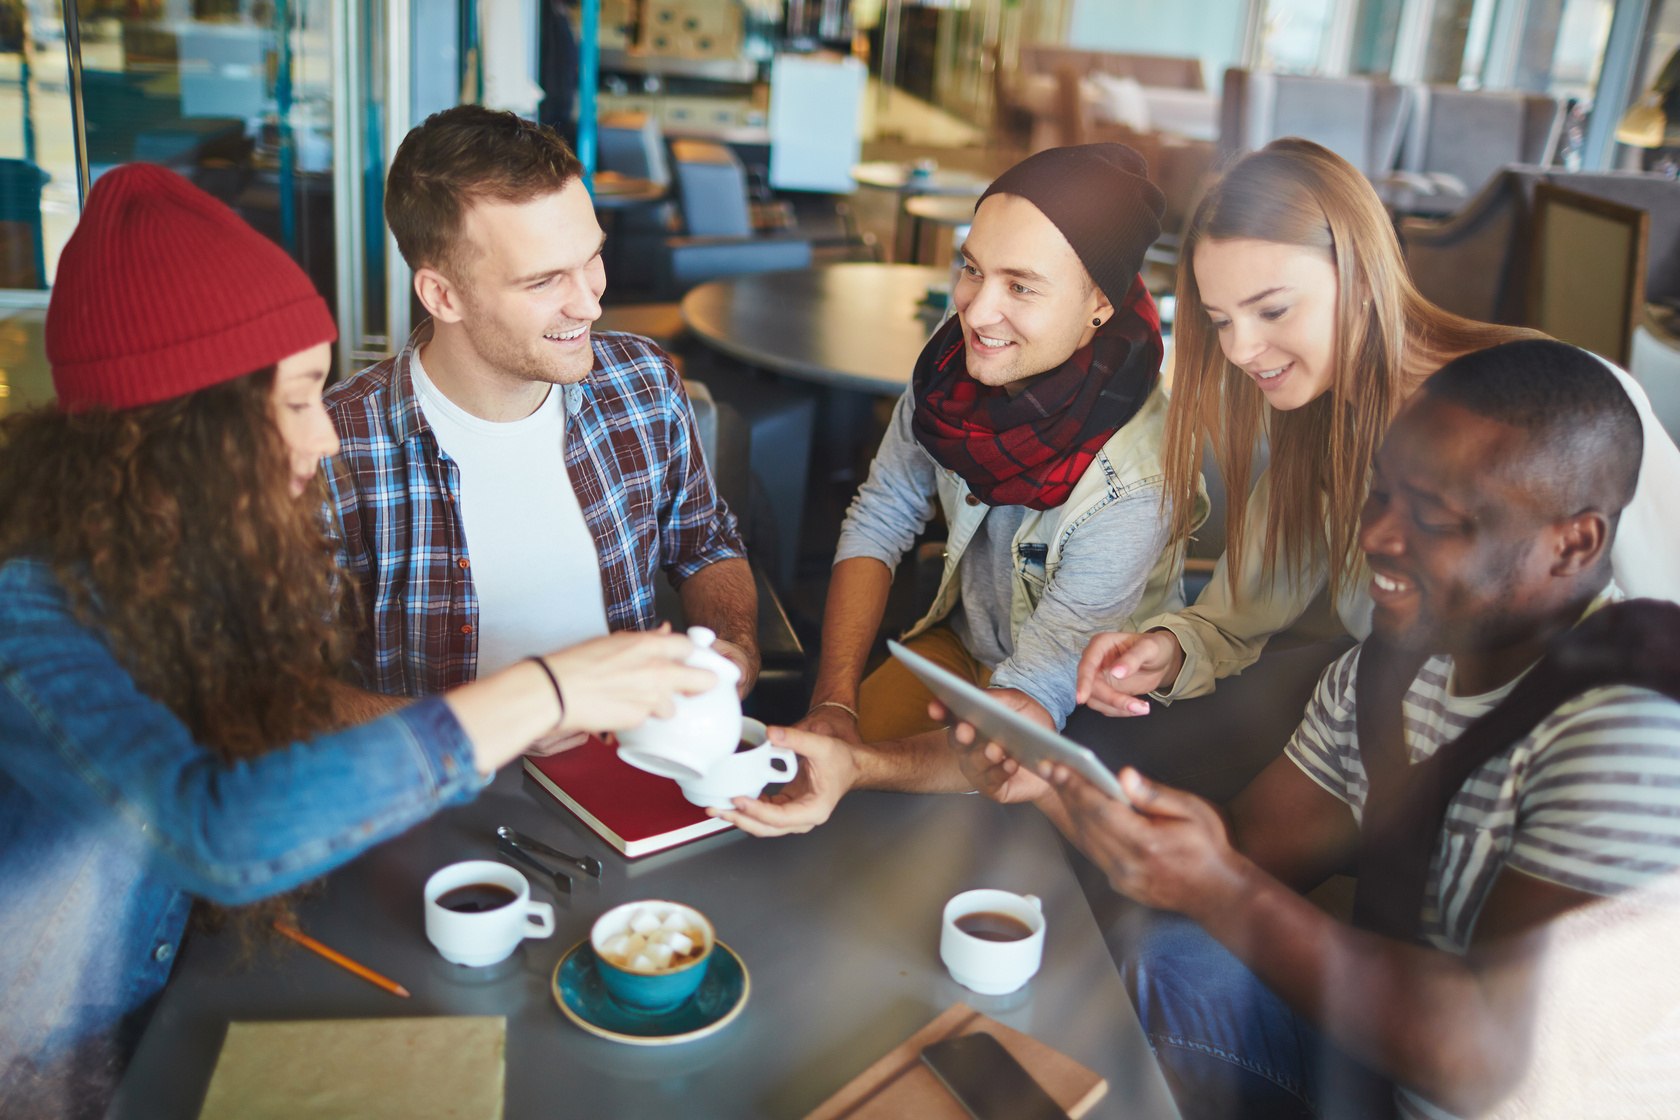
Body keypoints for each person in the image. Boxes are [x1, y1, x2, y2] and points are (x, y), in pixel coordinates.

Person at [0, 165, 712, 1119]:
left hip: (163, 1011)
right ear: (194, 428)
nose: (325, 437)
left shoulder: (167, 554)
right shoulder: (26, 607)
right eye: (296, 399)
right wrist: (546, 690)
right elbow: (214, 830)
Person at [964, 341, 1680, 1120]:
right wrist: (1053, 783)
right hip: (1386, 1073)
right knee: (1166, 958)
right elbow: (1246, 851)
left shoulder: (1635, 724)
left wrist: (1219, 884)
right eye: (1381, 497)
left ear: (1572, 544)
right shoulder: (1389, 673)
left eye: (1435, 518)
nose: (1377, 538)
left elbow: (1496, 1057)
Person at [1070, 138, 1680, 800]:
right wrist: (1167, 651)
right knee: (1092, 757)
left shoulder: (1562, 404)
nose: (1241, 348)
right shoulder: (1319, 423)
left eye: (1273, 309)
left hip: (1559, 768)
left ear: (1360, 273)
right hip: (1394, 731)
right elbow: (1233, 617)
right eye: (1221, 320)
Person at [718, 143, 1202, 838]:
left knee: (901, 837)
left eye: (1022, 286)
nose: (978, 313)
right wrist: (836, 706)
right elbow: (881, 515)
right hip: (956, 650)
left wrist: (861, 763)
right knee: (810, 807)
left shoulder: (1136, 482)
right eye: (971, 269)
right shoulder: (952, 369)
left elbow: (1024, 715)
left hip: (1078, 714)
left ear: (1099, 302)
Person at [324, 106, 757, 710]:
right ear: (442, 295)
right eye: (544, 281)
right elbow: (287, 699)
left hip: (629, 775)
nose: (589, 305)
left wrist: (733, 648)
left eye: (591, 259)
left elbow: (704, 544)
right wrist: (498, 726)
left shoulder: (644, 381)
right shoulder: (333, 449)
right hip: (446, 799)